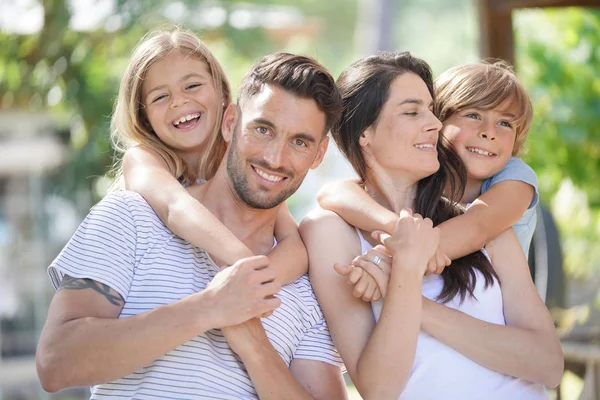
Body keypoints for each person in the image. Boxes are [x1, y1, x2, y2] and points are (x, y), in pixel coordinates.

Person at [36, 51, 346, 399]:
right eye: (262, 129)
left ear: (319, 155)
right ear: (230, 122)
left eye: (300, 142)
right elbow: (54, 362)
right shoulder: (132, 217)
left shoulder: (308, 286)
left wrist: (256, 347)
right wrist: (207, 308)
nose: (275, 158)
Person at [299, 52, 563, 399]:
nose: (435, 123)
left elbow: (548, 365)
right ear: (365, 132)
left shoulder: (478, 220)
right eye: (413, 112)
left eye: (430, 109)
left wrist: (402, 283)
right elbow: (378, 389)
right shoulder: (331, 230)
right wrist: (407, 265)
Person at [318, 61, 539, 301]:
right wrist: (397, 227)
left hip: (502, 309)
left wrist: (391, 262)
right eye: (473, 115)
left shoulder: (516, 178)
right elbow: (334, 193)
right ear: (439, 120)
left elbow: (477, 226)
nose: (489, 132)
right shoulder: (428, 167)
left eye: (505, 123)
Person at [109, 26, 308, 283]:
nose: (178, 102)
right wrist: (243, 262)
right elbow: (175, 207)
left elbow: (294, 247)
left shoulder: (244, 162)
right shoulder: (143, 159)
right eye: (160, 97)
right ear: (144, 118)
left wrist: (254, 286)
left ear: (223, 93)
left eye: (192, 86)